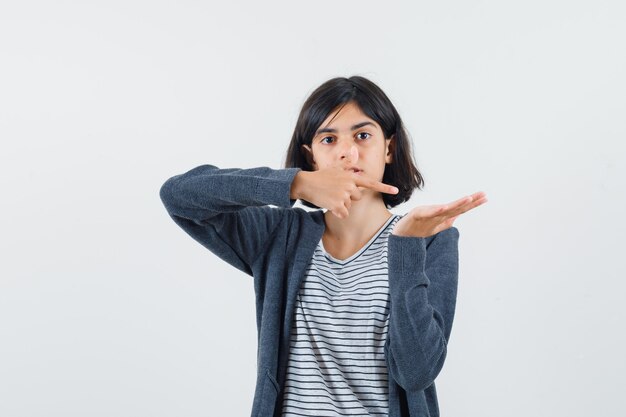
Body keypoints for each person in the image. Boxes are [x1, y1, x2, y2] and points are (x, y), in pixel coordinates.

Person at [159, 75, 487, 417]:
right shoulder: (279, 235)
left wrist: (405, 246)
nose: (347, 152)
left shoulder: (430, 237)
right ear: (310, 155)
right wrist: (295, 183)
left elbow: (416, 371)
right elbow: (179, 195)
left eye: (363, 135)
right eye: (328, 139)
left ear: (388, 148)